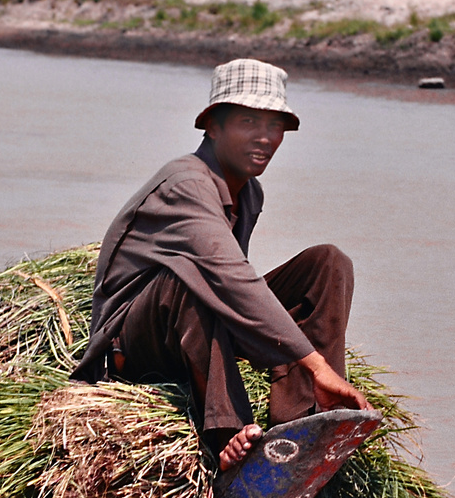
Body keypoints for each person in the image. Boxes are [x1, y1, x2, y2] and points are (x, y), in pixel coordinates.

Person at [70, 57, 369, 472]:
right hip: (131, 346)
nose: (265, 138)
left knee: (329, 263)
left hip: (189, 329)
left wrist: (307, 365)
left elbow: (236, 285)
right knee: (193, 278)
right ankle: (226, 436)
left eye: (274, 126)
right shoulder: (187, 184)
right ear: (213, 126)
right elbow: (227, 277)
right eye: (249, 122)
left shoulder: (249, 194)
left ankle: (302, 415)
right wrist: (314, 363)